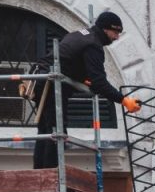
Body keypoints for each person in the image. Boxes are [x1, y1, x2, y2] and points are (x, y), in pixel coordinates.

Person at [33, 11, 141, 169]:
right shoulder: (93, 44)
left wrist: (83, 78)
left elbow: (70, 63)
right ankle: (51, 176)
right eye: (115, 32)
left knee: (46, 130)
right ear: (105, 29)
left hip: (41, 79)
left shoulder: (80, 35)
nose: (117, 37)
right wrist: (124, 100)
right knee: (57, 132)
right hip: (51, 84)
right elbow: (99, 82)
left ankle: (41, 174)